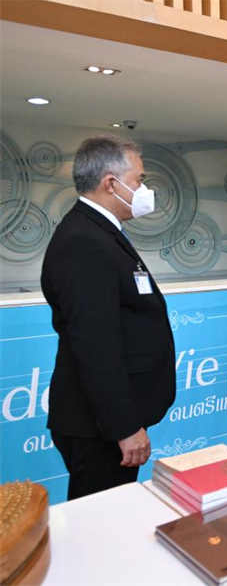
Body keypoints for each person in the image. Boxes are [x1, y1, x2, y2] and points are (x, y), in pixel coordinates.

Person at [41, 136, 176, 500]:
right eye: (139, 180)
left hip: (105, 422)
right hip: (99, 426)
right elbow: (95, 344)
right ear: (111, 184)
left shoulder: (99, 232)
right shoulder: (83, 241)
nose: (144, 190)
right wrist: (125, 427)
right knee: (99, 525)